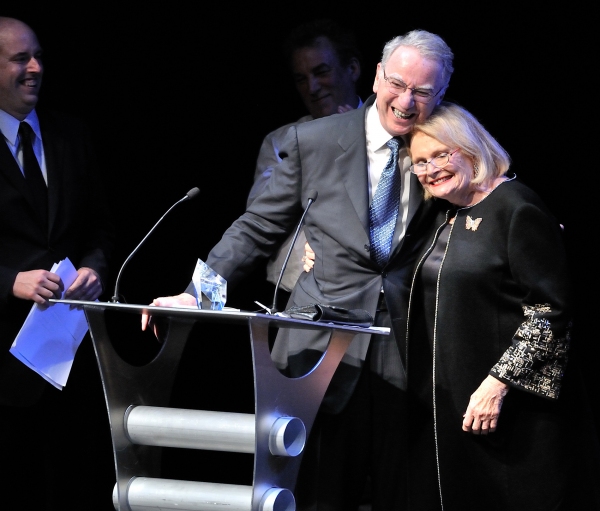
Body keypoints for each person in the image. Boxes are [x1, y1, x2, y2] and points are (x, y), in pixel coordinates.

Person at [143, 29, 454, 510]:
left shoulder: (444, 146)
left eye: (422, 92)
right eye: (397, 84)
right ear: (374, 76)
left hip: (410, 352)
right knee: (316, 498)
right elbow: (257, 227)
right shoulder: (312, 142)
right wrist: (195, 293)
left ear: (440, 94)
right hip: (318, 354)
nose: (406, 101)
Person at [303, 101, 600, 510]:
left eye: (441, 155)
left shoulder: (516, 206)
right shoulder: (443, 213)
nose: (429, 169)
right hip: (448, 409)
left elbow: (551, 312)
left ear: (471, 148)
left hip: (510, 415)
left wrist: (497, 386)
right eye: (420, 162)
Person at [0, 17, 114, 510]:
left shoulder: (70, 135)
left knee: (78, 486)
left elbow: (101, 227)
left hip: (75, 358)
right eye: (20, 58)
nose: (35, 68)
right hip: (5, 368)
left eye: (38, 55)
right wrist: (9, 282)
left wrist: (94, 267)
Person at [246, 18, 363, 305]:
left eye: (321, 72)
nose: (312, 87)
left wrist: (355, 143)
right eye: (301, 78)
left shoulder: (383, 135)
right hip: (292, 290)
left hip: (364, 294)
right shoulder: (281, 140)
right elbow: (263, 216)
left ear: (352, 69)